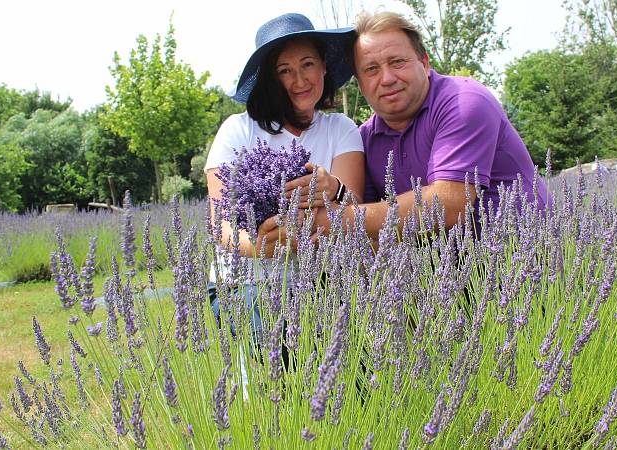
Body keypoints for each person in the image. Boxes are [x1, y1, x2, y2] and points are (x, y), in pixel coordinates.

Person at [311, 11, 548, 240]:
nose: (387, 78)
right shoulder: (365, 139)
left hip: (528, 261)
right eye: (371, 69)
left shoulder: (462, 101)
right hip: (446, 274)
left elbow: (449, 204)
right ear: (360, 84)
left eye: (397, 62)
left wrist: (332, 222)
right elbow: (371, 226)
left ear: (424, 62)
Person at [203, 13, 364, 348]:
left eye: (307, 65)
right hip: (245, 282)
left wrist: (333, 188)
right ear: (269, 79)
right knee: (286, 346)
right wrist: (258, 246)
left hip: (322, 280)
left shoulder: (341, 130)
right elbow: (221, 223)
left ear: (323, 67)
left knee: (363, 344)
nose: (299, 80)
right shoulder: (238, 130)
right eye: (284, 70)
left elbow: (355, 212)